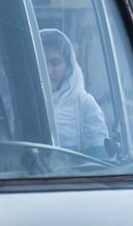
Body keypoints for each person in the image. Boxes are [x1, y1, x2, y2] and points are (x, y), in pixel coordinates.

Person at [40, 28, 108, 157]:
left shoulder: (84, 103)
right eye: (42, 63)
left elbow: (100, 156)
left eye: (55, 63)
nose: (48, 71)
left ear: (68, 66)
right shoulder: (21, 103)